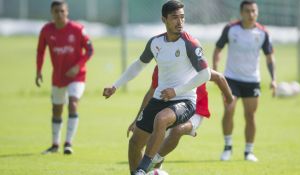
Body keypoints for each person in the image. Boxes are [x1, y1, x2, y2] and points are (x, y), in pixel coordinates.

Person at [103, 1, 211, 174]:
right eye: (175, 17)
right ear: (164, 19)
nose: (180, 22)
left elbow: (206, 74)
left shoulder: (190, 43)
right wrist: (115, 86)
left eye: (182, 17)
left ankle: (143, 169)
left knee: (161, 119)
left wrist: (176, 91)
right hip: (160, 98)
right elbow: (138, 65)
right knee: (135, 143)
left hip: (184, 100)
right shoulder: (155, 43)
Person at [127, 66, 234, 169]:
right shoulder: (160, 67)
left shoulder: (193, 65)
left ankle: (153, 161)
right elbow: (151, 92)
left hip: (197, 109)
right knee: (151, 137)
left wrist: (229, 98)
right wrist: (137, 120)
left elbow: (219, 77)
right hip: (172, 108)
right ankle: (153, 165)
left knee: (178, 130)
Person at [212, 0, 276, 162]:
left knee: (250, 115)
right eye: (247, 11)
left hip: (252, 80)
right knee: (229, 109)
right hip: (231, 78)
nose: (251, 14)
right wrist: (215, 69)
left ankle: (249, 152)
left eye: (254, 11)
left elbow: (269, 57)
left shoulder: (263, 33)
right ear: (241, 13)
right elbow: (218, 49)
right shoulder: (230, 29)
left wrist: (273, 79)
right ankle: (227, 147)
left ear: (257, 12)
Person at [35, 0, 93, 155]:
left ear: (67, 12)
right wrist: (39, 70)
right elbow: (40, 51)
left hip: (77, 76)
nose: (59, 14)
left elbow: (89, 50)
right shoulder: (46, 30)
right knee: (57, 109)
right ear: (51, 13)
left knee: (73, 103)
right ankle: (55, 145)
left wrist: (77, 66)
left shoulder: (78, 29)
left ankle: (68, 144)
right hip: (58, 77)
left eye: (62, 11)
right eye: (56, 11)